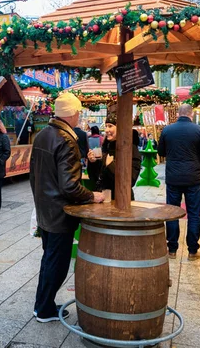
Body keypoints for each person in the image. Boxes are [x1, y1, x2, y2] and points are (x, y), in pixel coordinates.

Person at [30, 92, 105, 323]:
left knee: (48, 259)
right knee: (57, 263)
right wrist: (92, 196)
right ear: (73, 114)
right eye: (78, 112)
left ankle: (42, 305)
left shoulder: (43, 135)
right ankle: (44, 310)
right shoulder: (66, 140)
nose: (79, 116)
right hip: (60, 213)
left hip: (45, 210)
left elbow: (36, 175)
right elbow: (70, 187)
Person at [158, 104, 200, 260]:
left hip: (173, 177)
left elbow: (161, 151)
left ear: (178, 114)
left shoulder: (167, 130)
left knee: (172, 213)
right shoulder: (198, 130)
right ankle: (193, 250)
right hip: (193, 178)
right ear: (191, 114)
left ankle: (172, 249)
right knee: (194, 214)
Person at [87, 104, 141, 200]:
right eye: (106, 126)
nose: (106, 130)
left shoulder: (131, 149)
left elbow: (130, 181)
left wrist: (111, 165)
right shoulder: (106, 147)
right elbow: (96, 177)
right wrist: (93, 163)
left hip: (122, 199)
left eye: (110, 126)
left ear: (120, 127)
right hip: (104, 198)